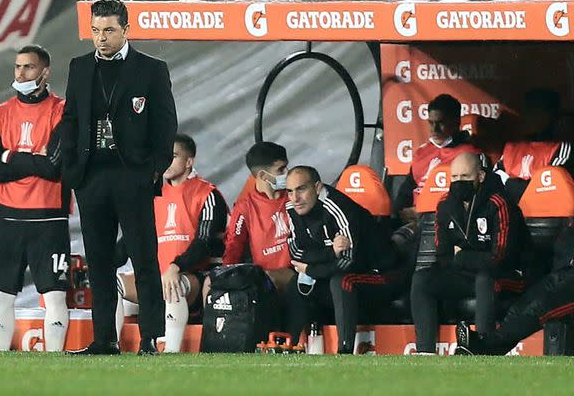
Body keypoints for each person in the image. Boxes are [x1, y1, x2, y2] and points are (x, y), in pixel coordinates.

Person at [60, 0, 178, 355]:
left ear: (126, 30)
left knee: (143, 259)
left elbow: (166, 124)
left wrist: (151, 171)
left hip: (132, 177)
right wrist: (71, 168)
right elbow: (70, 119)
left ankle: (149, 340)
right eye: (95, 31)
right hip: (91, 177)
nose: (101, 38)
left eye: (109, 30)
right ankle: (104, 340)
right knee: (98, 262)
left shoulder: (151, 69)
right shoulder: (79, 67)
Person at [0, 45, 71, 352]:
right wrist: (33, 158)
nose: (21, 73)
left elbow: (54, 167)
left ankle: (55, 365)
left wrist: (10, 156)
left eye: (28, 67)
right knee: (1, 295)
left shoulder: (63, 111)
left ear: (45, 72)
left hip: (49, 217)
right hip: (7, 216)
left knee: (56, 295)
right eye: (18, 67)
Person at [116, 134, 228, 352]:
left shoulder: (208, 194)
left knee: (172, 284)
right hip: (156, 277)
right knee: (113, 282)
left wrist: (176, 267)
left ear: (189, 162)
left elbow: (203, 244)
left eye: (173, 156)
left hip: (195, 278)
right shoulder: (152, 194)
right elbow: (131, 239)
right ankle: (113, 346)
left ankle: (171, 352)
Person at [410, 152, 526, 354]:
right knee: (422, 279)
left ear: (480, 177)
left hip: (507, 277)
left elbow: (499, 259)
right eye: (454, 177)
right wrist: (471, 258)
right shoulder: (445, 205)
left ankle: (483, 346)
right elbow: (444, 255)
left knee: (485, 278)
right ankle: (424, 352)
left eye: (464, 177)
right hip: (466, 276)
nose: (458, 182)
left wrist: (462, 256)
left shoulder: (498, 204)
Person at [285, 166, 400, 352]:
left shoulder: (339, 209)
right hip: (336, 271)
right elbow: (295, 253)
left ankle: (344, 351)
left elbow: (347, 263)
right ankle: (293, 347)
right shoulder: (291, 207)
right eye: (289, 191)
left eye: (301, 189)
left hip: (380, 275)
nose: (295, 198)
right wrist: (331, 252)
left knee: (342, 282)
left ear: (317, 187)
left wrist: (310, 269)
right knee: (295, 284)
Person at [455, 220, 574, 355]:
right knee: (523, 305)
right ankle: (483, 347)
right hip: (563, 273)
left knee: (542, 307)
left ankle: (483, 344)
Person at [394, 94, 478, 225]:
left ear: (456, 122)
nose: (435, 129)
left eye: (440, 123)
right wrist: (399, 212)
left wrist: (424, 212)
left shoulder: (470, 155)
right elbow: (407, 190)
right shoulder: (421, 153)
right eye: (431, 123)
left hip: (451, 222)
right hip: (413, 223)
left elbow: (468, 199)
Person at [221, 142, 293, 292]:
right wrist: (225, 277)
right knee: (210, 284)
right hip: (262, 278)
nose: (288, 172)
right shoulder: (245, 207)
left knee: (268, 280)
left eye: (287, 166)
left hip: (297, 272)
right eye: (281, 169)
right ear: (262, 176)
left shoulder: (295, 196)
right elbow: (234, 245)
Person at [495, 88, 572, 202]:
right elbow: (495, 181)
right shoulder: (512, 147)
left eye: (536, 112)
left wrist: (511, 183)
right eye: (527, 111)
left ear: (552, 116)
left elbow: (549, 188)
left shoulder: (561, 148)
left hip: (542, 216)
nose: (529, 117)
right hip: (511, 214)